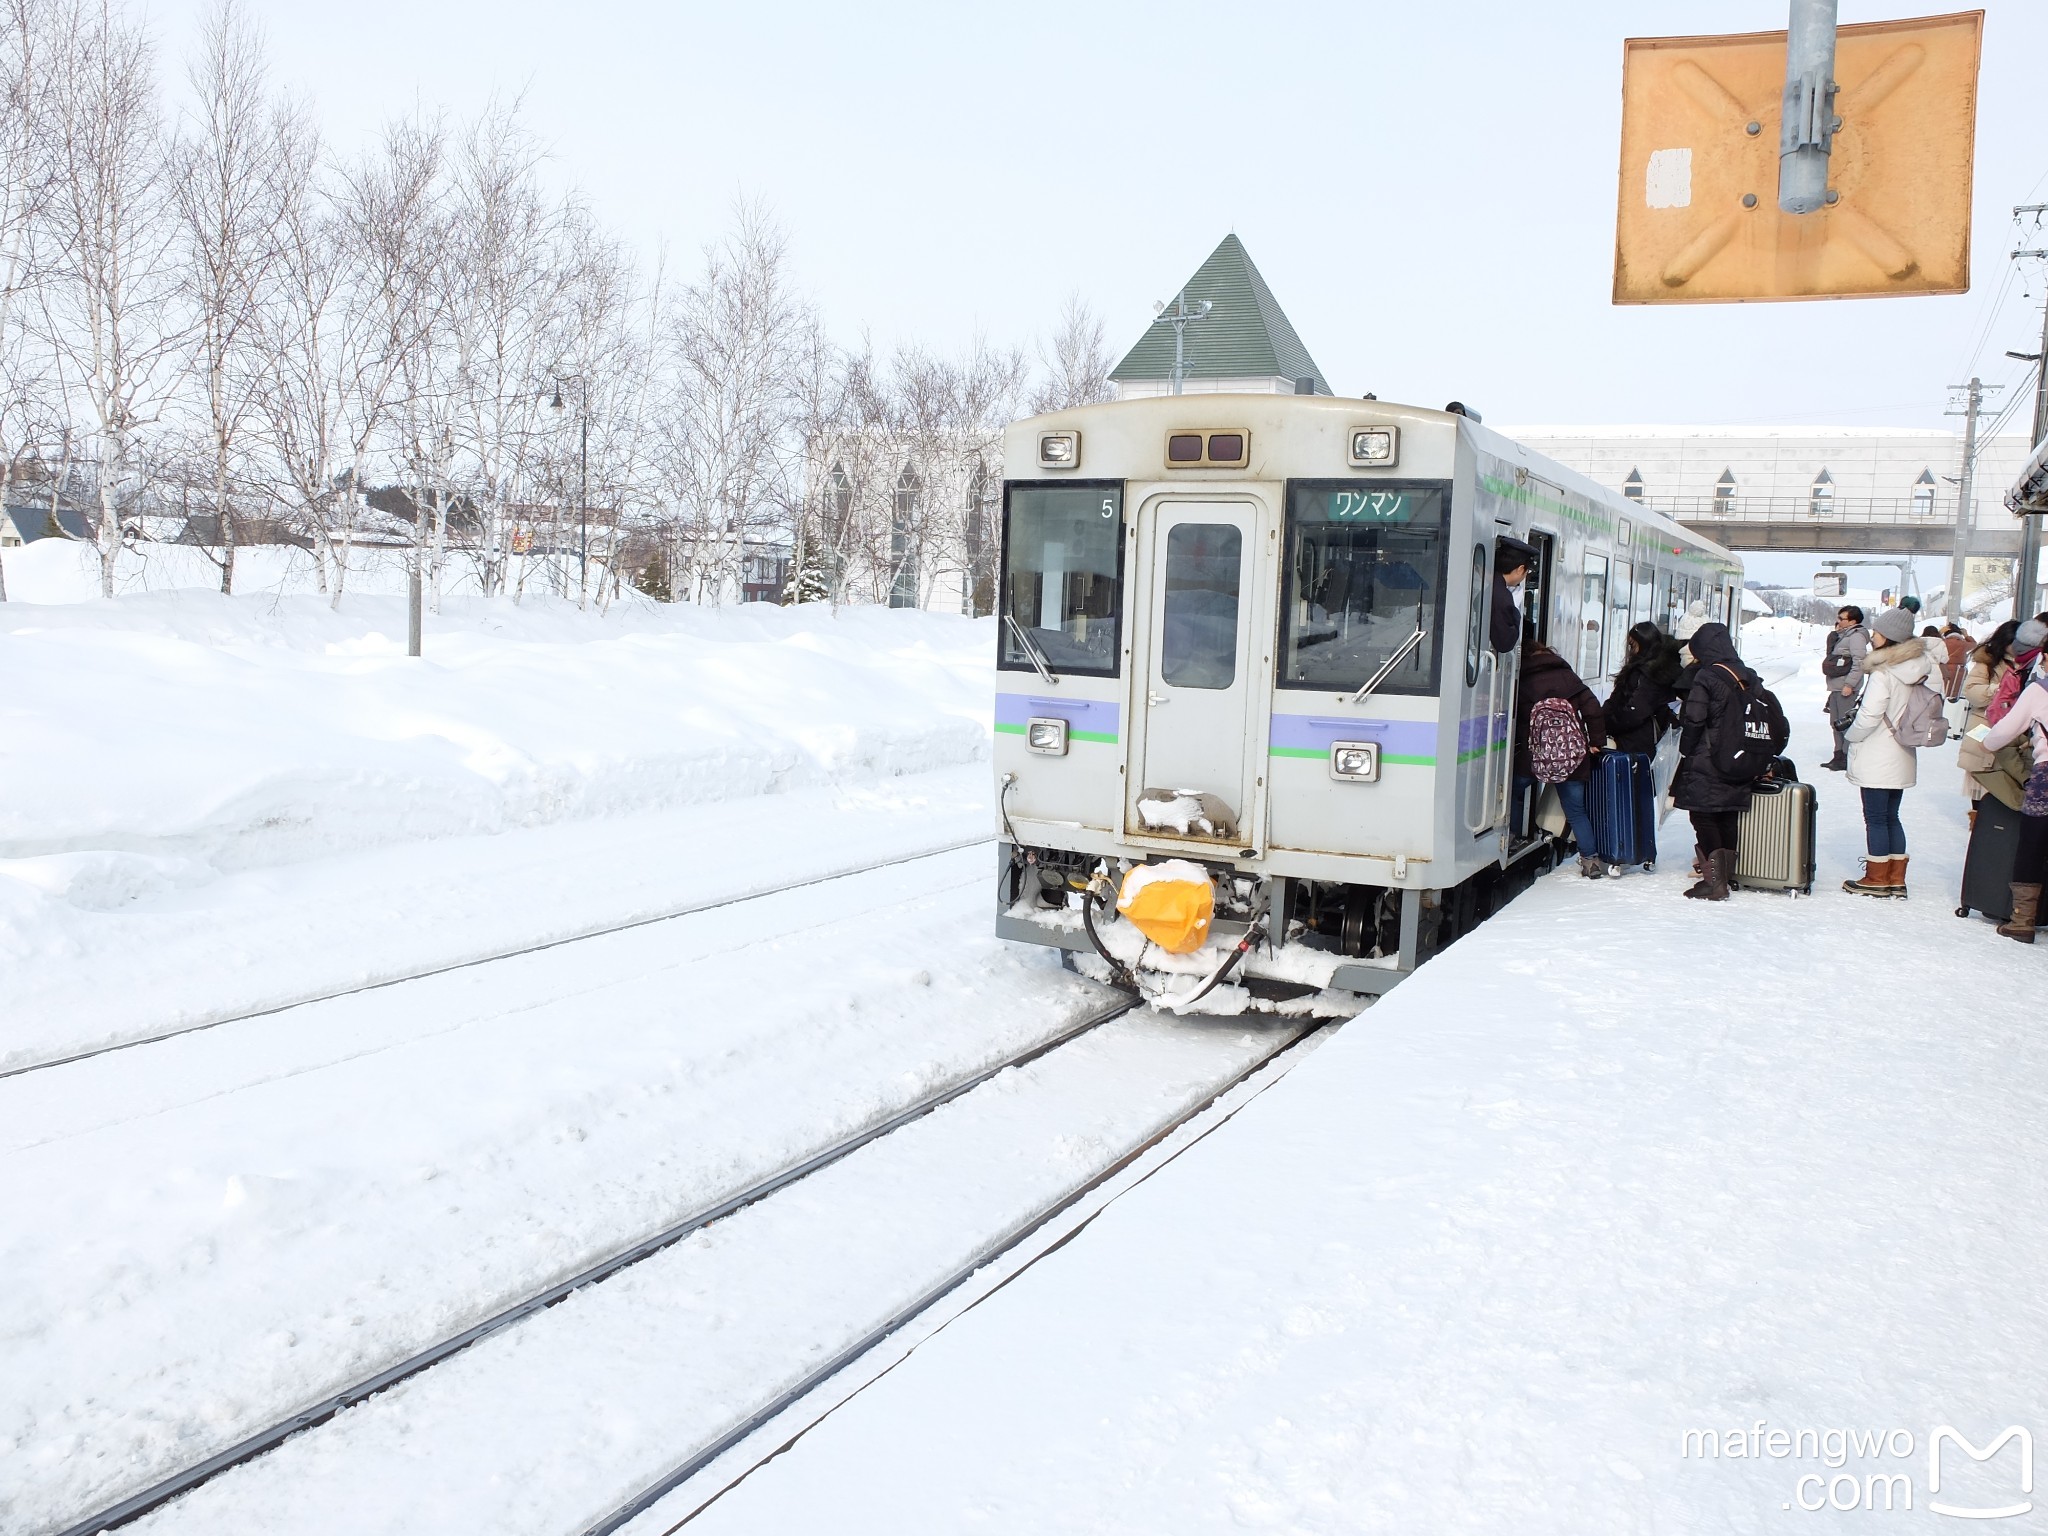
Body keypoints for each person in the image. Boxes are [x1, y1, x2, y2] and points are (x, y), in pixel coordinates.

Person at [1841, 607, 1934, 898]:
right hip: (1902, 752)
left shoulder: (1883, 673)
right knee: (1892, 816)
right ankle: (1896, 879)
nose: (1872, 636)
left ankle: (1876, 878)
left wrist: (1850, 736)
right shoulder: (1916, 669)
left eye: (1877, 632)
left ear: (1889, 637)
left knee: (1876, 818)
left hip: (1878, 754)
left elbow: (1869, 715)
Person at [1671, 621, 1759, 901]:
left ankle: (1714, 882)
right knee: (1727, 814)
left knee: (1703, 815)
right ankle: (1726, 877)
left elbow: (1694, 719)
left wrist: (1686, 749)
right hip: (1740, 757)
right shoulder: (1748, 674)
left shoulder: (1707, 677)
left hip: (1708, 758)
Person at [1973, 617, 2048, 942]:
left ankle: (2022, 921)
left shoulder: (2038, 691)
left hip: (2045, 779)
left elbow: (2000, 734)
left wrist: (1988, 741)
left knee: (2032, 848)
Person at [1513, 638, 1608, 877]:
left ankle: (1512, 837)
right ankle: (1591, 860)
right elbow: (1593, 708)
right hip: (1571, 758)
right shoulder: (1569, 677)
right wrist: (1596, 741)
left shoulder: (1521, 680)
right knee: (1575, 810)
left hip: (1535, 758)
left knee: (1511, 793)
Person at [1605, 620, 1683, 755]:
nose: (1631, 651)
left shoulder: (1649, 674)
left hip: (1637, 741)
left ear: (1643, 645)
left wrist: (1609, 724)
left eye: (1632, 645)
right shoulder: (1656, 670)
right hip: (1638, 738)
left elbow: (1635, 711)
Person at [1820, 605, 1868, 772]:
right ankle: (1838, 755)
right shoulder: (1843, 636)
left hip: (1845, 688)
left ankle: (1846, 756)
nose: (1838, 621)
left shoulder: (1856, 637)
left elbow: (1859, 662)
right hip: (1836, 686)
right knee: (1835, 723)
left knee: (1844, 723)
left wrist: (1850, 684)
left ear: (1853, 621)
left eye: (1842, 619)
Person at [1491, 537, 1535, 653]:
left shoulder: (1491, 584)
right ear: (1520, 569)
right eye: (1528, 571)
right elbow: (1505, 643)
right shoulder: (1503, 596)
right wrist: (1514, 608)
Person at [1940, 624, 1972, 700]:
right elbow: (1974, 644)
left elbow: (1932, 642)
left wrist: (1939, 633)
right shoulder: (1964, 644)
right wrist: (1966, 635)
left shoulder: (1942, 642)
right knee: (1955, 692)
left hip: (1943, 669)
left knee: (1942, 691)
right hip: (1959, 670)